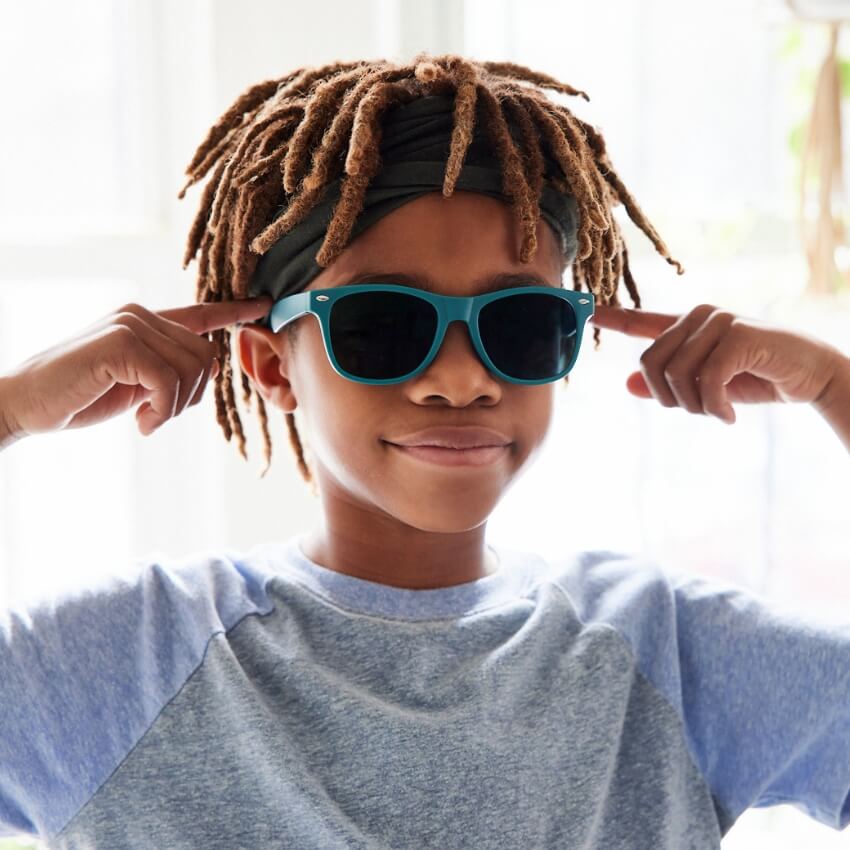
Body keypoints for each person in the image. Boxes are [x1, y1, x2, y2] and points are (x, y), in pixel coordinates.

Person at [0, 54, 848, 850]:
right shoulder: (120, 668)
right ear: (268, 362)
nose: (460, 378)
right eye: (382, 324)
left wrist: (832, 386)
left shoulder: (668, 651)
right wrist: (9, 409)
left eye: (518, 324)